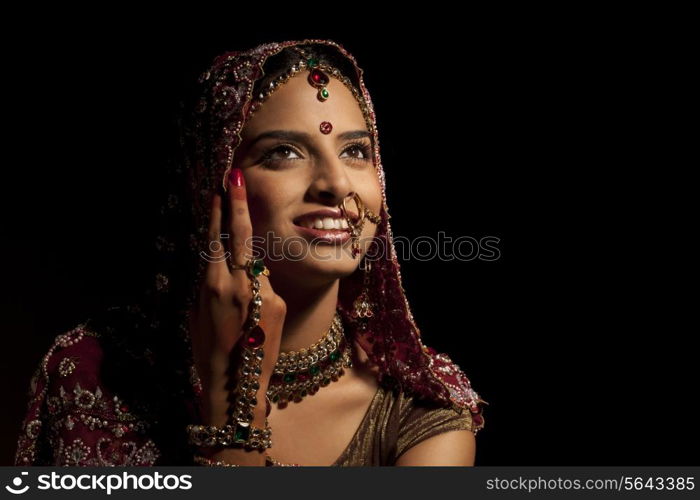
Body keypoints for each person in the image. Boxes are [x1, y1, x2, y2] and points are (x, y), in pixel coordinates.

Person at [14, 39, 486, 467]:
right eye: (283, 152)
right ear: (211, 183)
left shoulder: (422, 406)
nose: (337, 184)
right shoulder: (99, 369)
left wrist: (231, 424)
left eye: (356, 152)